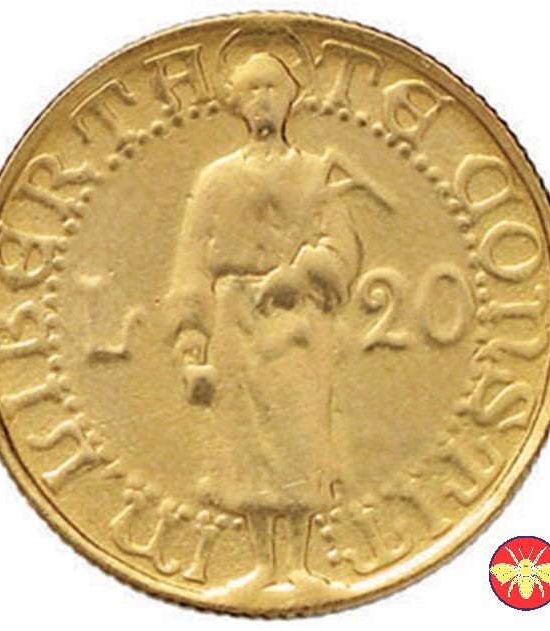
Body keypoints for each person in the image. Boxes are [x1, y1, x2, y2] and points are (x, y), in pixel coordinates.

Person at [166, 51, 370, 589]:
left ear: (290, 98)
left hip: (297, 321)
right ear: (236, 101)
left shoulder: (315, 173)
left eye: (272, 88)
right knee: (246, 445)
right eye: (252, 89)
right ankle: (261, 566)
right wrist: (191, 343)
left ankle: (299, 565)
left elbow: (342, 247)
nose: (262, 100)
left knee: (301, 434)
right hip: (235, 320)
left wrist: (299, 274)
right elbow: (191, 262)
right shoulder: (216, 178)